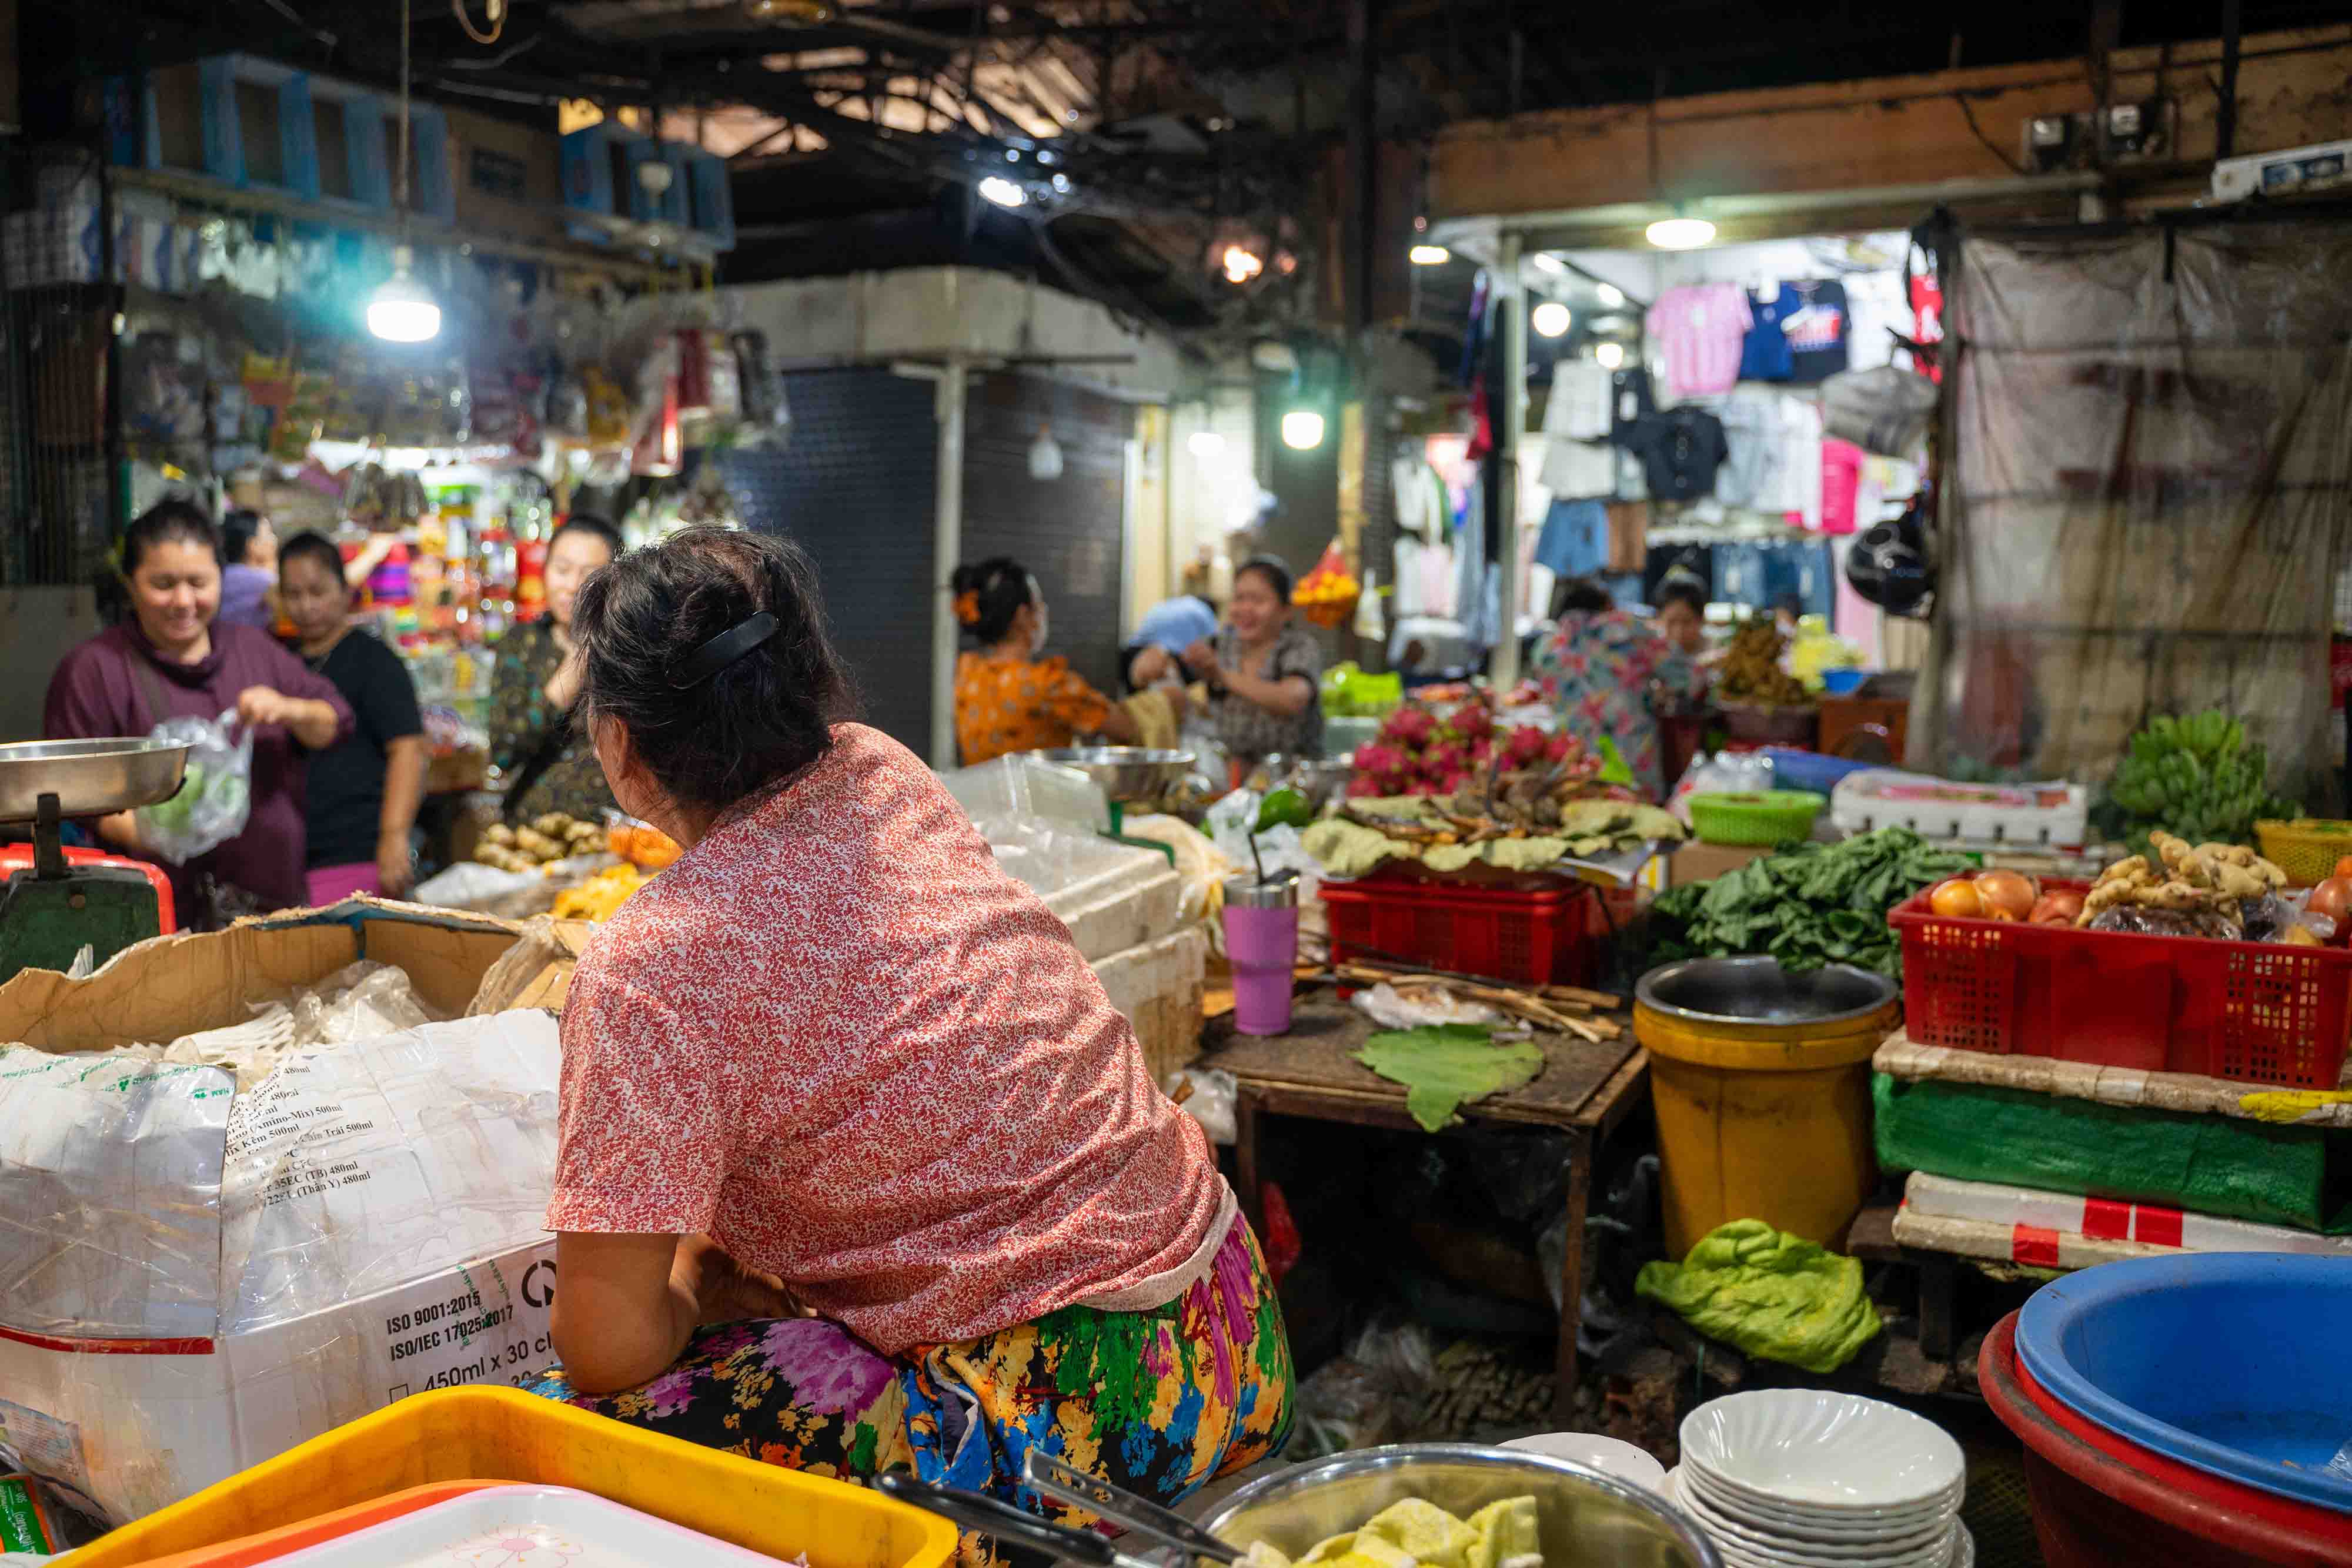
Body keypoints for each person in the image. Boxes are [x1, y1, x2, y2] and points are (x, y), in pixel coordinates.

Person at [520, 527, 1292, 1519]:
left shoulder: (648, 962)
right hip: (1233, 1328)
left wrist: (692, 1294)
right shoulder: (880, 769)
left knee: (562, 1423)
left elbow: (607, 1342)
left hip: (1065, 1427)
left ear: (621, 748)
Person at [44, 500, 354, 925]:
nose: (184, 600)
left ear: (220, 580)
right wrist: (163, 837)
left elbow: (334, 722)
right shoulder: (94, 670)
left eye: (199, 582)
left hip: (273, 907)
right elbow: (74, 796)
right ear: (131, 584)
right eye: (163, 583)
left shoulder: (254, 648)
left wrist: (288, 709)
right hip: (157, 917)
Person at [278, 531, 428, 905]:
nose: (306, 606)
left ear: (344, 590)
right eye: (294, 595)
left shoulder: (374, 662)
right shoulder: (282, 661)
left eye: (318, 591)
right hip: (295, 860)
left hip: (357, 852)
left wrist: (393, 838)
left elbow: (408, 749)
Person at [487, 515, 622, 825]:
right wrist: (570, 675)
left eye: (588, 574)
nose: (573, 586)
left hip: (615, 833)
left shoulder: (631, 649)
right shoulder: (522, 644)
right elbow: (504, 752)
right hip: (532, 829)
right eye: (562, 570)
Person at [950, 557, 1138, 764]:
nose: (1045, 610)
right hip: (1036, 797)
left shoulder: (967, 671)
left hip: (977, 796)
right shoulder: (1048, 685)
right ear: (1023, 617)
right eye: (1039, 603)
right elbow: (1126, 730)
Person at [1531, 576, 1705, 801]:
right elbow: (1690, 679)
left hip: (1574, 768)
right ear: (1607, 606)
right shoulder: (1628, 630)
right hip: (1633, 764)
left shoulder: (1545, 649)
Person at [1182, 555, 1323, 777]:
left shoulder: (1298, 647)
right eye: (1239, 599)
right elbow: (1177, 666)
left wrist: (1222, 676)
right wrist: (1154, 658)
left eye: (1258, 601)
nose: (1245, 609)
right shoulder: (1220, 645)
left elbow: (1292, 699)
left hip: (1293, 781)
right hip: (1234, 778)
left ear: (1286, 610)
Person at [1120, 593, 1220, 693]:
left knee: (1136, 702)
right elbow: (1216, 643)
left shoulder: (1170, 604)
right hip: (1163, 655)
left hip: (1131, 653)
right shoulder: (1204, 610)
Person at [216, 508, 279, 631]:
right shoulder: (264, 581)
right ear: (252, 545)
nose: (274, 539)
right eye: (268, 533)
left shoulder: (222, 575)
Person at [1653, 573, 1712, 661]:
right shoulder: (1650, 657)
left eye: (1687, 622)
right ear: (1659, 620)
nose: (1679, 631)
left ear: (1701, 619)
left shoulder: (1716, 656)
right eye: (1672, 622)